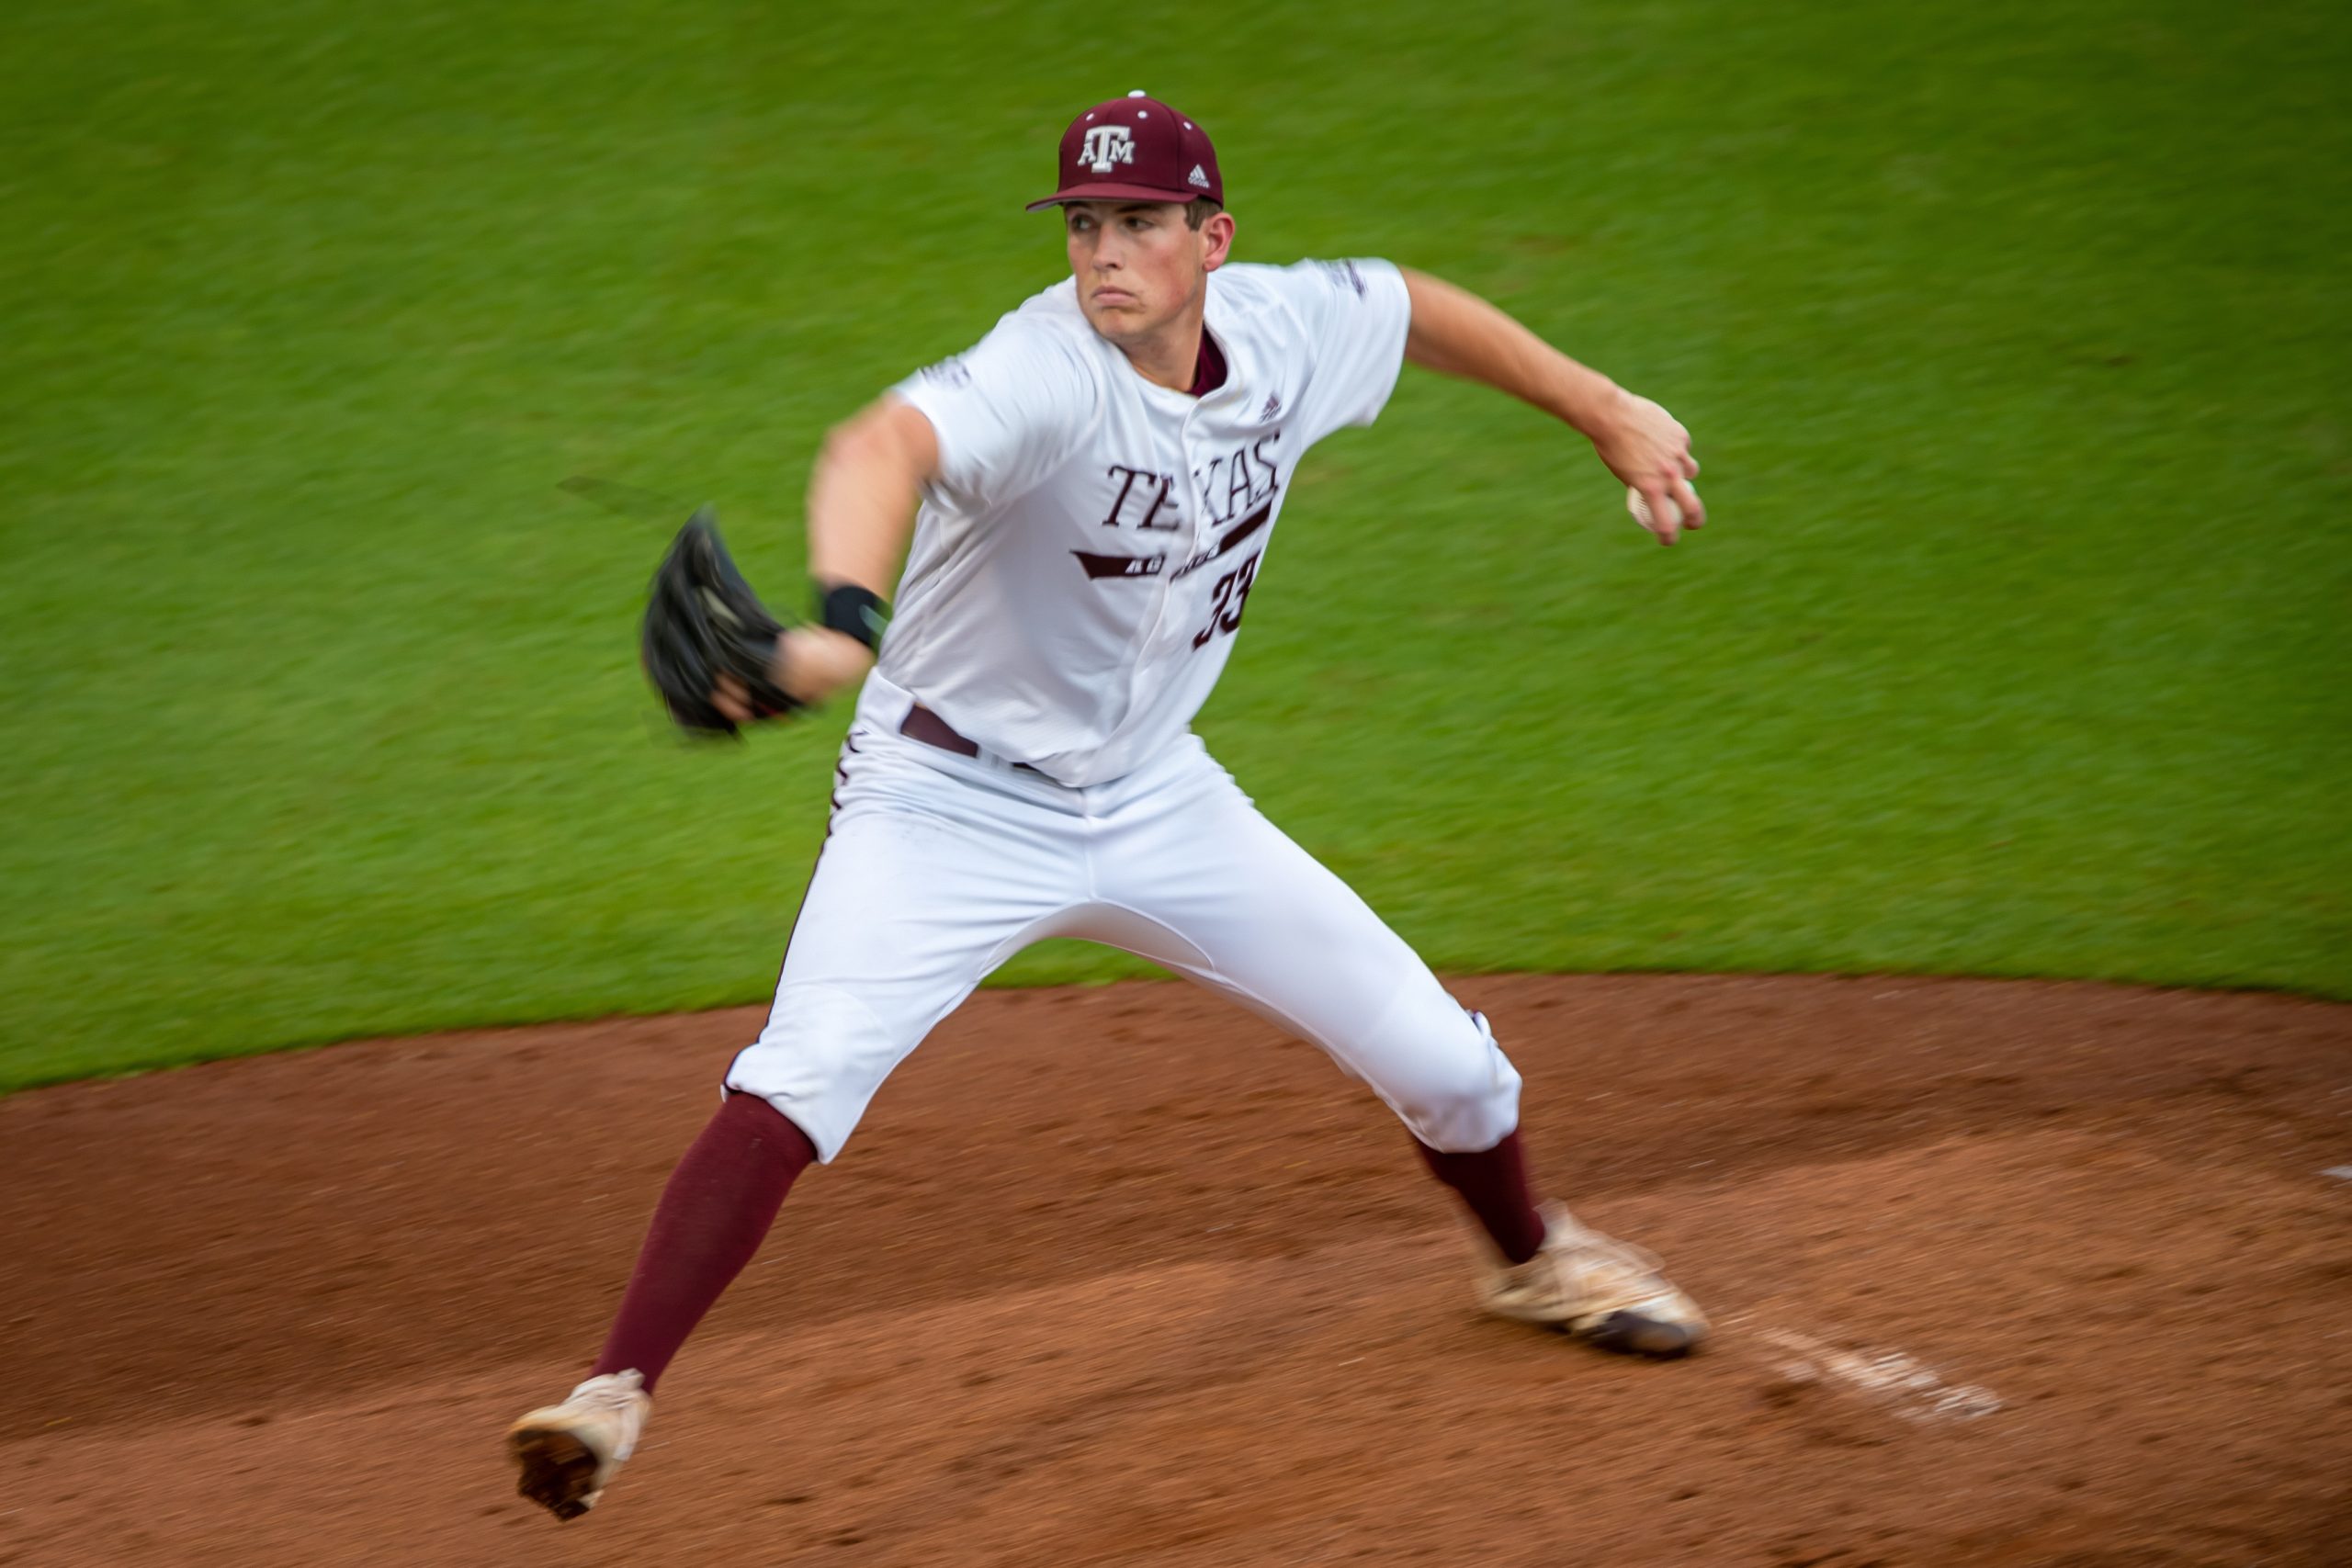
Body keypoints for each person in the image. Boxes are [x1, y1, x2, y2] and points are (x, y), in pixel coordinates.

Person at [507, 90, 1709, 1523]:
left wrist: (1602, 408)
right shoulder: (1042, 372)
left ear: (1213, 238)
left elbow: (1406, 306)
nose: (1105, 254)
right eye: (1084, 224)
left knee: (1452, 1069)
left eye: (1139, 223)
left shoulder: (1281, 331)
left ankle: (1529, 1260)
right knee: (803, 1074)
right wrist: (839, 622)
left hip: (1156, 799)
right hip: (943, 801)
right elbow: (876, 445)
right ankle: (612, 1395)